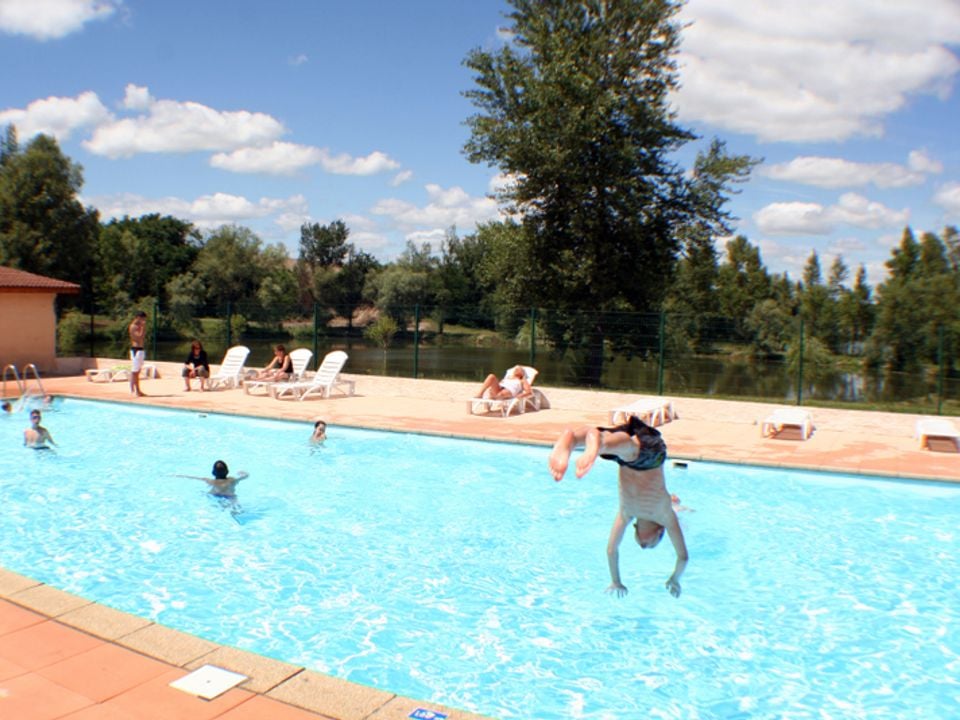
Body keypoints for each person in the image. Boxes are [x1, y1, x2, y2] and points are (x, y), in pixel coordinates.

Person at [548, 414, 688, 598]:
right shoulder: (665, 516)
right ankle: (595, 443)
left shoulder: (626, 514)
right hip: (650, 454)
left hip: (627, 456)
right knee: (628, 449)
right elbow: (683, 557)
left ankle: (572, 439)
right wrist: (675, 578)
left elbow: (611, 550)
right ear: (658, 532)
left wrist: (616, 580)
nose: (645, 546)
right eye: (651, 545)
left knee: (613, 444)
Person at [128, 311, 148, 397]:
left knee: (138, 371)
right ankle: (135, 390)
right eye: (143, 318)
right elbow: (139, 338)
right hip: (136, 350)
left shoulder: (139, 327)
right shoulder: (133, 327)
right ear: (138, 317)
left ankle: (136, 390)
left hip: (140, 349)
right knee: (135, 371)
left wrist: (142, 328)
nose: (144, 320)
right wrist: (143, 328)